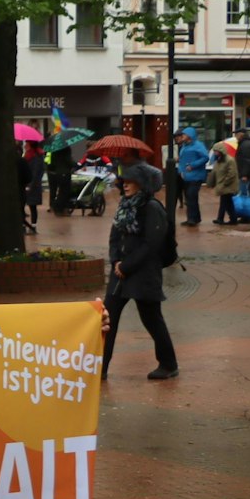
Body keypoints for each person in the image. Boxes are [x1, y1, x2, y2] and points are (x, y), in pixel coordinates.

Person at [102, 163, 178, 381]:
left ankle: (168, 364)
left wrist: (126, 266)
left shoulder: (152, 208)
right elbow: (115, 236)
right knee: (107, 319)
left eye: (131, 181)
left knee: (152, 319)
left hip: (143, 273)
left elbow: (151, 244)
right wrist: (116, 261)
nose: (125, 185)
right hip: (120, 274)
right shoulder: (125, 206)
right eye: (123, 181)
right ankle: (100, 366)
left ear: (143, 184)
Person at [175, 129, 209, 226]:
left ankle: (192, 219)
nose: (182, 136)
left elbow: (205, 158)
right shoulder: (184, 146)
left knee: (191, 196)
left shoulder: (198, 146)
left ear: (189, 136)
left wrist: (193, 165)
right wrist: (180, 170)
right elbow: (183, 160)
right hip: (186, 176)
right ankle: (193, 218)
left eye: (184, 135)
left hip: (196, 176)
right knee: (189, 197)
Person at [210, 142, 241, 224]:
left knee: (224, 203)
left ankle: (221, 218)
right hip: (223, 185)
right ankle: (233, 219)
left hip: (228, 186)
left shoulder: (230, 160)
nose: (215, 153)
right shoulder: (218, 160)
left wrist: (225, 182)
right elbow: (215, 172)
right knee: (228, 203)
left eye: (216, 151)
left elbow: (232, 173)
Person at [235, 129, 250, 196]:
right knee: (244, 192)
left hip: (246, 175)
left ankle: (245, 202)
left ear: (241, 135)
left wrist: (244, 175)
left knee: (244, 193)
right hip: (246, 174)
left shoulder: (245, 145)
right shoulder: (246, 144)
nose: (236, 137)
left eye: (237, 135)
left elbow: (247, 160)